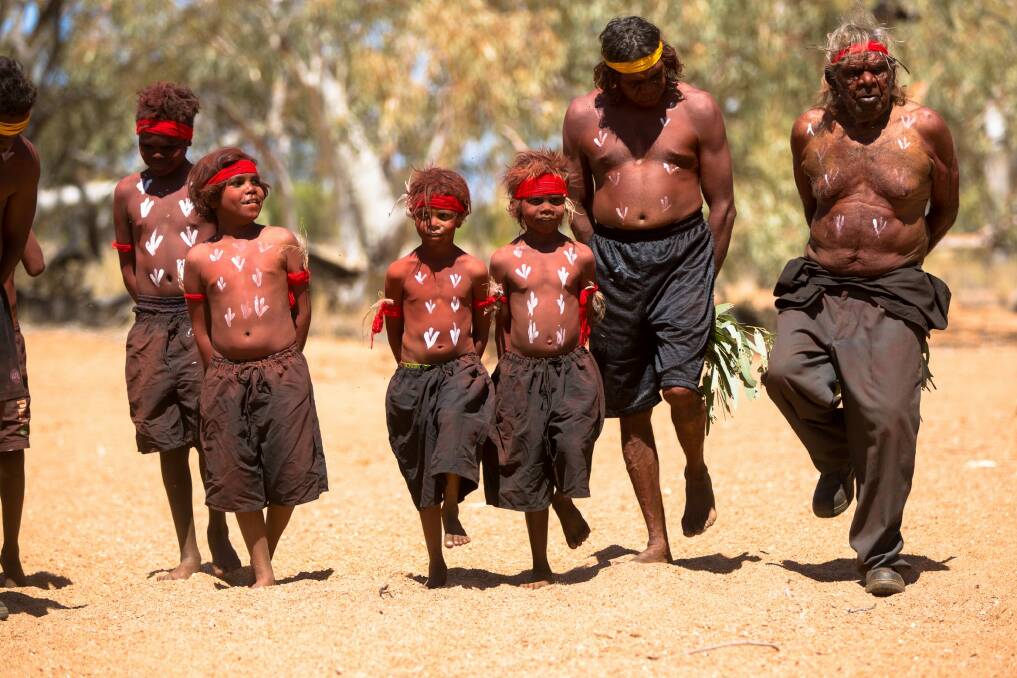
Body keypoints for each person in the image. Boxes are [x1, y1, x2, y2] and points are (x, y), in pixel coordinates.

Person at [763, 14, 958, 597]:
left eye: (879, 68)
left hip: (894, 288)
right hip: (819, 283)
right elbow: (811, 204)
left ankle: (880, 554)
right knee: (783, 372)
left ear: (892, 71)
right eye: (856, 71)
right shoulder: (809, 131)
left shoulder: (925, 128)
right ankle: (837, 461)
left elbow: (944, 208)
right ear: (833, 78)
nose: (869, 79)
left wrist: (898, 256)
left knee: (891, 418)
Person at [561, 16, 736, 562]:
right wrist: (596, 262)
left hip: (684, 255)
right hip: (613, 258)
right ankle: (657, 540)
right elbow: (572, 197)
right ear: (611, 79)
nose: (649, 89)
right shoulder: (583, 115)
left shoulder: (698, 110)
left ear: (668, 61)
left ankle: (696, 467)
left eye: (657, 76)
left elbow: (723, 204)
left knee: (680, 387)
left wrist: (705, 274)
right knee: (632, 406)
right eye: (636, 82)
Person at [111, 82, 239, 580]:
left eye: (169, 148)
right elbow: (128, 260)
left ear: (188, 142)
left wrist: (200, 312)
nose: (158, 155)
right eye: (148, 147)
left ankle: (218, 530)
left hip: (197, 323)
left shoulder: (206, 189)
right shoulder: (126, 192)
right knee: (167, 439)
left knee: (210, 430)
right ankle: (187, 551)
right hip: (149, 323)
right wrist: (150, 307)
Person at [183, 148, 327, 588]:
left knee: (290, 465)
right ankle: (262, 571)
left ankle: (264, 553)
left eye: (255, 182)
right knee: (237, 469)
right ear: (212, 196)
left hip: (283, 369)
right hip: (226, 375)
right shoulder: (199, 260)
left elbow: (303, 309)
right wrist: (217, 374)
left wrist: (289, 359)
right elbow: (201, 328)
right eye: (238, 184)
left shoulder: (281, 242)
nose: (252, 190)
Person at [484, 149, 604, 588]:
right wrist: (505, 374)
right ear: (517, 206)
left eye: (555, 200)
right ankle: (540, 563)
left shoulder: (581, 257)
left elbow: (591, 310)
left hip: (572, 368)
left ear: (566, 204)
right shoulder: (503, 260)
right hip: (521, 370)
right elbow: (499, 325)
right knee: (529, 457)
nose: (546, 210)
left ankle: (564, 498)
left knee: (574, 440)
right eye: (536, 202)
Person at [374, 167, 494, 588]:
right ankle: (434, 560)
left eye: (444, 215)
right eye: (425, 216)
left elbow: (482, 323)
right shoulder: (399, 271)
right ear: (413, 218)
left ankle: (453, 509)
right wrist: (405, 364)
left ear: (460, 218)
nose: (434, 224)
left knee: (453, 425)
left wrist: (471, 363)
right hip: (412, 375)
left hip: (460, 370)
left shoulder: (475, 269)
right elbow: (392, 324)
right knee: (421, 467)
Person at [0, 58, 40, 618]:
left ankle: (8, 549)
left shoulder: (23, 163)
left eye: (17, 134)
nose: (7, 150)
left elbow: (17, 242)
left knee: (9, 441)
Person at [0, 231, 44, 589]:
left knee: (13, 448)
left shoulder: (10, 214)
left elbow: (36, 263)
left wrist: (16, 218)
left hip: (6, 342)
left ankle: (10, 549)